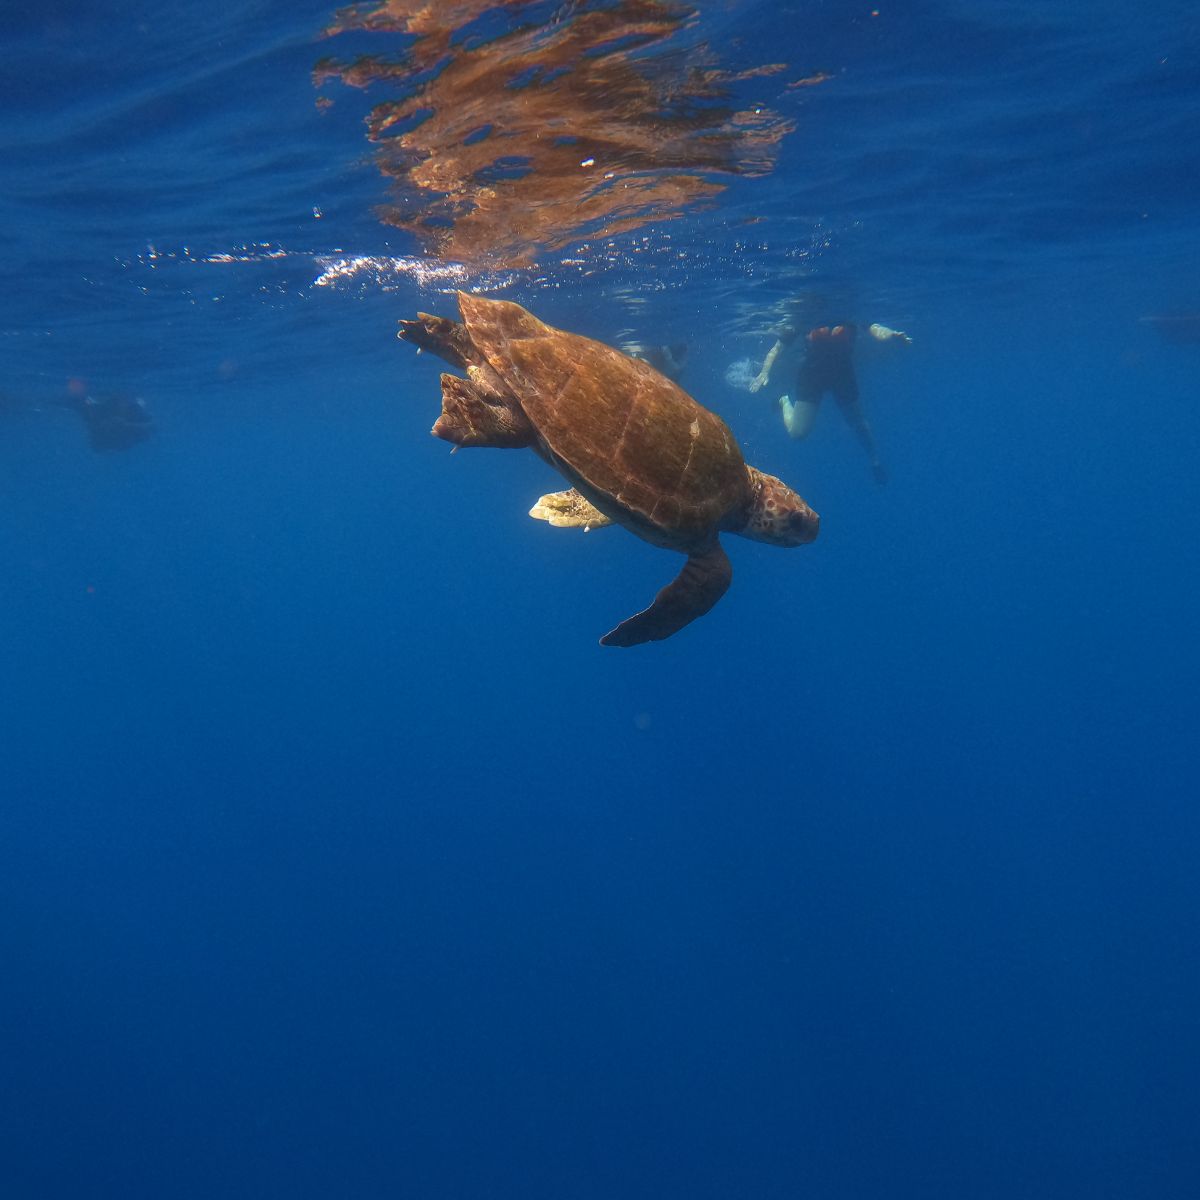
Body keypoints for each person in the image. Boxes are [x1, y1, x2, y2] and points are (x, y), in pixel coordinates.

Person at [750, 319, 910, 484]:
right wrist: (764, 372)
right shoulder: (807, 314)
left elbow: (874, 327)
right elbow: (776, 348)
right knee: (797, 433)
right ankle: (784, 400)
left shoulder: (848, 311)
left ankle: (874, 459)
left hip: (843, 374)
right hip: (812, 374)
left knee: (858, 422)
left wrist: (891, 334)